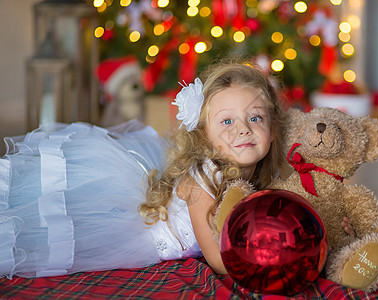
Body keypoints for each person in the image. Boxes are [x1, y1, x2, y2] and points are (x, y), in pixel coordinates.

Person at [0, 61, 354, 279]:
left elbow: (280, 210)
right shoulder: (205, 180)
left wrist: (325, 224)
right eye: (226, 121)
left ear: (273, 128)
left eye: (255, 118)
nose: (243, 129)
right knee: (42, 223)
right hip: (146, 235)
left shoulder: (258, 173)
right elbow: (215, 256)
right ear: (205, 134)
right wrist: (252, 273)